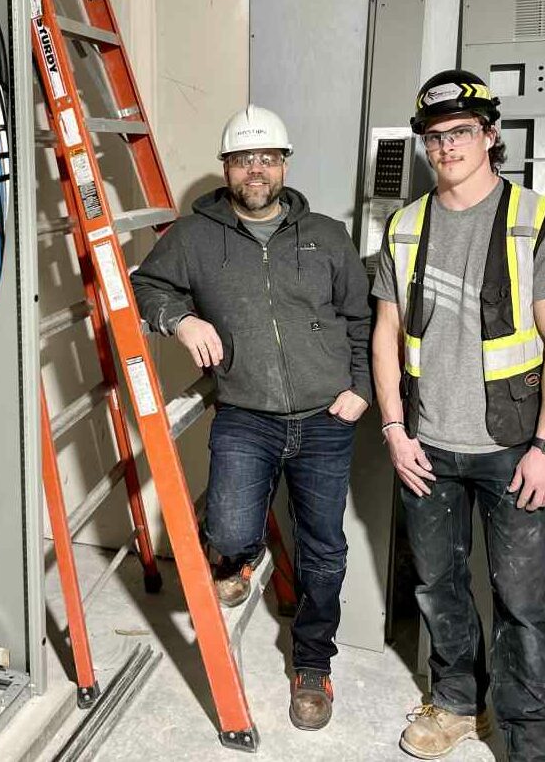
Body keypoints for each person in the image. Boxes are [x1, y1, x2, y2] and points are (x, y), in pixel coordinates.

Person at [131, 104, 371, 731]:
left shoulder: (326, 235)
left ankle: (312, 665)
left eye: (267, 157)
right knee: (233, 529)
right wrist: (182, 320)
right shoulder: (193, 236)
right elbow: (147, 286)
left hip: (326, 418)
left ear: (284, 164)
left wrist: (363, 389)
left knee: (324, 549)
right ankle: (237, 559)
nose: (256, 169)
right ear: (228, 169)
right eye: (244, 159)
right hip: (245, 413)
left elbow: (362, 317)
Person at [372, 69, 545, 761]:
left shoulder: (532, 217)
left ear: (491, 135)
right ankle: (454, 702)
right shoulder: (406, 224)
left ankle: (528, 735)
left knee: (523, 601)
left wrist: (543, 445)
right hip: (427, 445)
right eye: (435, 137)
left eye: (461, 132)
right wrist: (392, 427)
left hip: (513, 445)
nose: (447, 147)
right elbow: (384, 332)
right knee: (439, 584)